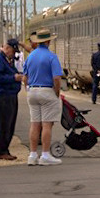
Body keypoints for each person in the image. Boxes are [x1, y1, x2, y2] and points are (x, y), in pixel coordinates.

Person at [24, 28, 64, 166]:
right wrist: (57, 93)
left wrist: (28, 90)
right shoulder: (52, 56)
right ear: (48, 41)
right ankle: (45, 155)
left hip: (32, 91)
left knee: (35, 124)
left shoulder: (30, 56)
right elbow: (57, 78)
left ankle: (32, 155)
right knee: (47, 124)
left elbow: (25, 77)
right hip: (47, 91)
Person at [0, 39, 24, 160]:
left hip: (9, 94)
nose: (14, 54)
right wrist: (13, 77)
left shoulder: (6, 60)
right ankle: (1, 150)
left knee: (9, 124)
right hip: (3, 95)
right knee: (5, 124)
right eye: (13, 50)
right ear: (8, 48)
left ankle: (4, 149)